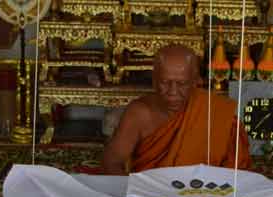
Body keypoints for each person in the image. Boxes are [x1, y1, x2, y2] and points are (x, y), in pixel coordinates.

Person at [101, 44, 251, 175]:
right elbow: (111, 162)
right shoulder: (140, 113)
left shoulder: (217, 113)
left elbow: (237, 173)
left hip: (202, 195)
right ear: (154, 80)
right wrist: (132, 191)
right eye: (165, 82)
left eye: (182, 84)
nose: (173, 91)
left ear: (195, 81)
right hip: (150, 195)